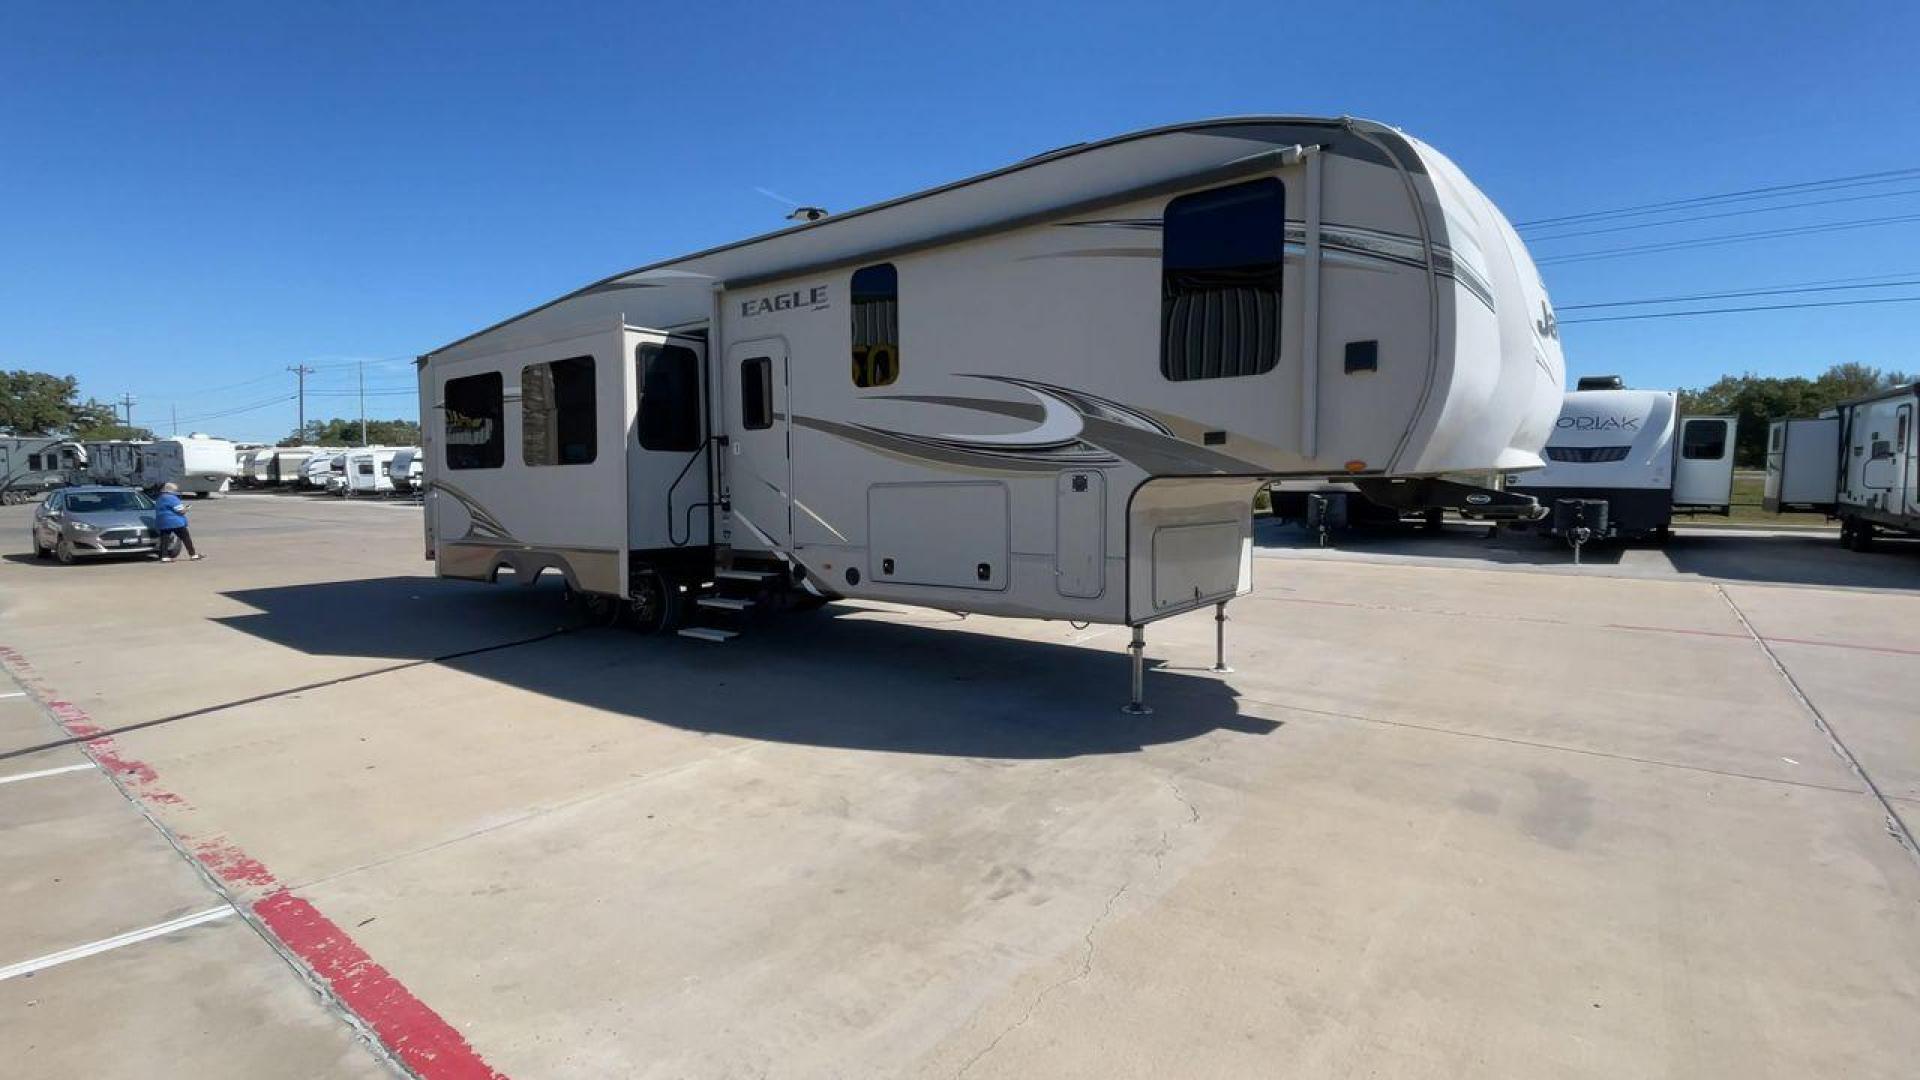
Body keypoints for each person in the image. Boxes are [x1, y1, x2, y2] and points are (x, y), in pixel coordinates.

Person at [152, 483, 201, 562]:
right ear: (170, 490)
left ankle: (164, 556)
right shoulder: (172, 498)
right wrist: (187, 508)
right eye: (175, 490)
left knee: (164, 540)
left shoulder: (159, 498)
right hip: (175, 522)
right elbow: (181, 511)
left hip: (163, 522)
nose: (176, 491)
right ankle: (193, 555)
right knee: (186, 538)